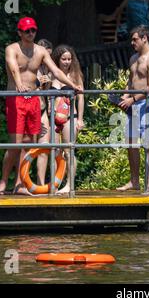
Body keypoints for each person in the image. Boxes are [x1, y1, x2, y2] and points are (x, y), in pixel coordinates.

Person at [0, 17, 82, 196]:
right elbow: (13, 68)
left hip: (34, 99)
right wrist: (18, 83)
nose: (31, 33)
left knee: (31, 144)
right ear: (19, 32)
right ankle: (4, 182)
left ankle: (20, 183)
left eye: (33, 30)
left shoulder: (40, 51)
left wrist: (72, 86)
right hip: (16, 98)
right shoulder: (12, 48)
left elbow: (56, 71)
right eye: (27, 31)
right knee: (15, 144)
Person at [116, 25, 149, 194]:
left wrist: (133, 99)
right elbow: (130, 81)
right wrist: (124, 97)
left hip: (147, 104)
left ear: (144, 38)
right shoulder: (133, 58)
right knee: (131, 143)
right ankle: (134, 181)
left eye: (135, 39)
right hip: (132, 104)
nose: (132, 42)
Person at [51, 44, 85, 195]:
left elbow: (81, 98)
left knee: (68, 150)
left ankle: (69, 184)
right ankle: (54, 182)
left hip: (70, 116)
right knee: (54, 151)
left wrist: (80, 119)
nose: (66, 62)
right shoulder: (52, 74)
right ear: (58, 59)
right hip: (53, 116)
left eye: (69, 59)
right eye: (63, 59)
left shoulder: (75, 75)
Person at [36, 39, 53, 185]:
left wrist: (46, 83)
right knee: (24, 147)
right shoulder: (29, 66)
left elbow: (45, 93)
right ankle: (21, 182)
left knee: (44, 146)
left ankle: (40, 183)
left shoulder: (47, 69)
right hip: (30, 110)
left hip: (42, 111)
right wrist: (37, 83)